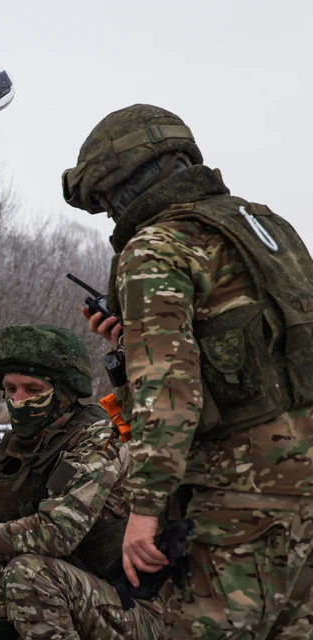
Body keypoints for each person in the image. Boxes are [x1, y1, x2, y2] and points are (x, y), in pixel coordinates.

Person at [63, 104, 313, 638]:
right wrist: (133, 343)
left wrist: (146, 514)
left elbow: (170, 398)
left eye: (106, 205)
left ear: (122, 187)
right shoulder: (266, 227)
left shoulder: (154, 247)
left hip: (238, 502)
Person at [0, 324, 163, 639]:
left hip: (136, 612)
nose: (19, 400)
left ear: (66, 392)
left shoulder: (101, 439)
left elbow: (57, 531)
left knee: (29, 571)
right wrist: (2, 621)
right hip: (59, 600)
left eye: (33, 390)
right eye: (11, 389)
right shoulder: (11, 455)